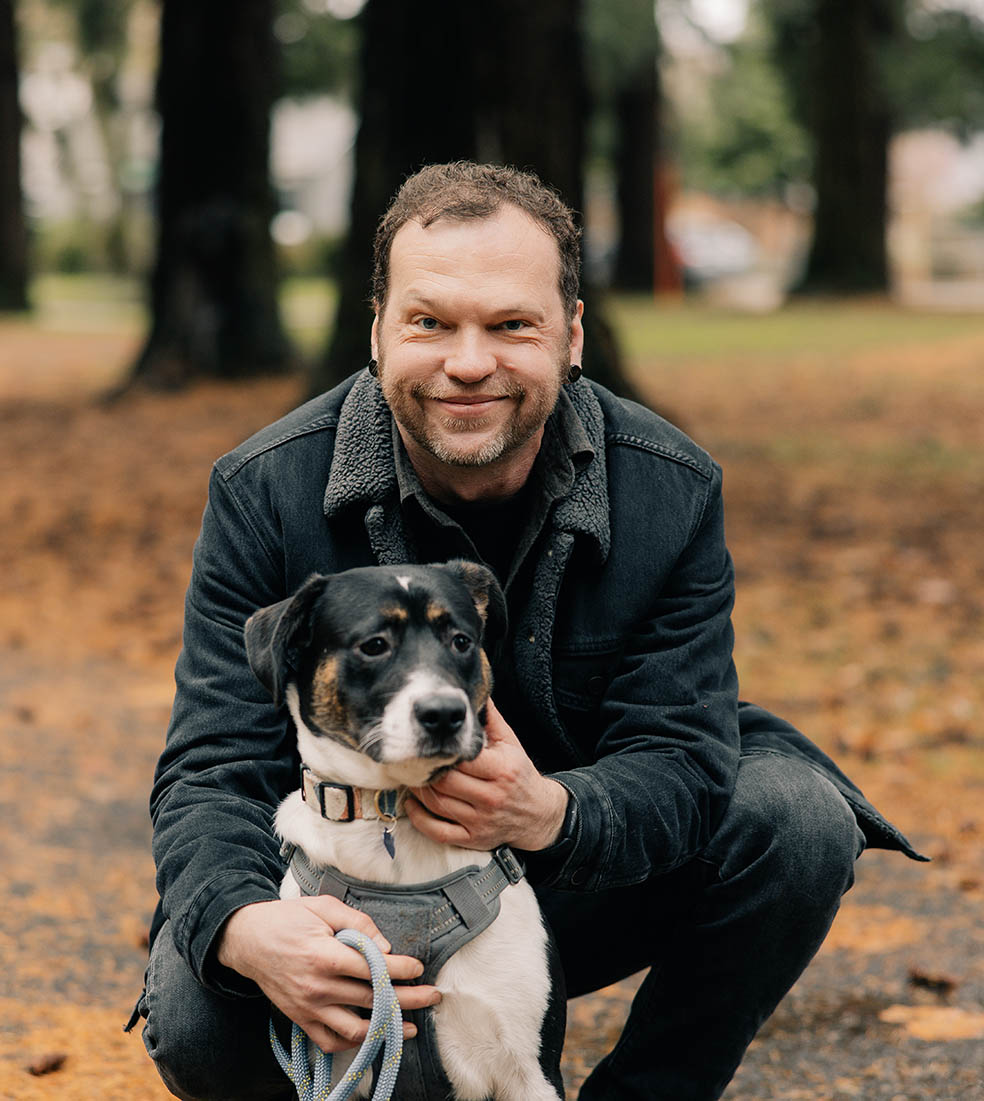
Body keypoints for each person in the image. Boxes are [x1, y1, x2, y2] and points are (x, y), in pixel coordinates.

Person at [132, 161, 924, 1101]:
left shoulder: (669, 487)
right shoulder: (265, 489)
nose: (470, 362)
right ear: (377, 329)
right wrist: (241, 924)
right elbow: (211, 765)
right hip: (342, 891)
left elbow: (681, 751)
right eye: (430, 322)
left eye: (512, 324)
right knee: (194, 1003)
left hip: (573, 872)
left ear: (573, 334)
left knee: (795, 820)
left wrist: (552, 811)